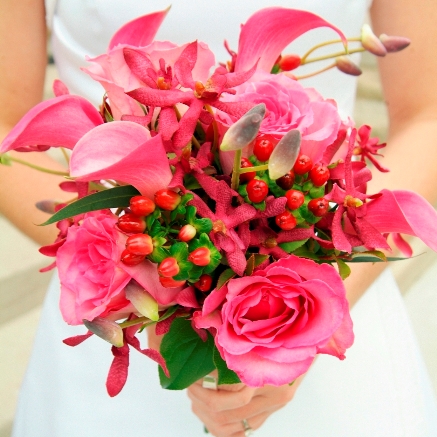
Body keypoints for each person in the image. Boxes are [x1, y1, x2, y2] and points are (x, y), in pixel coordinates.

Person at [1, 0, 437, 436]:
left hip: (324, 281)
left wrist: (307, 321)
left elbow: (428, 115)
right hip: (115, 293)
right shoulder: (151, 260)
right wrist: (144, 282)